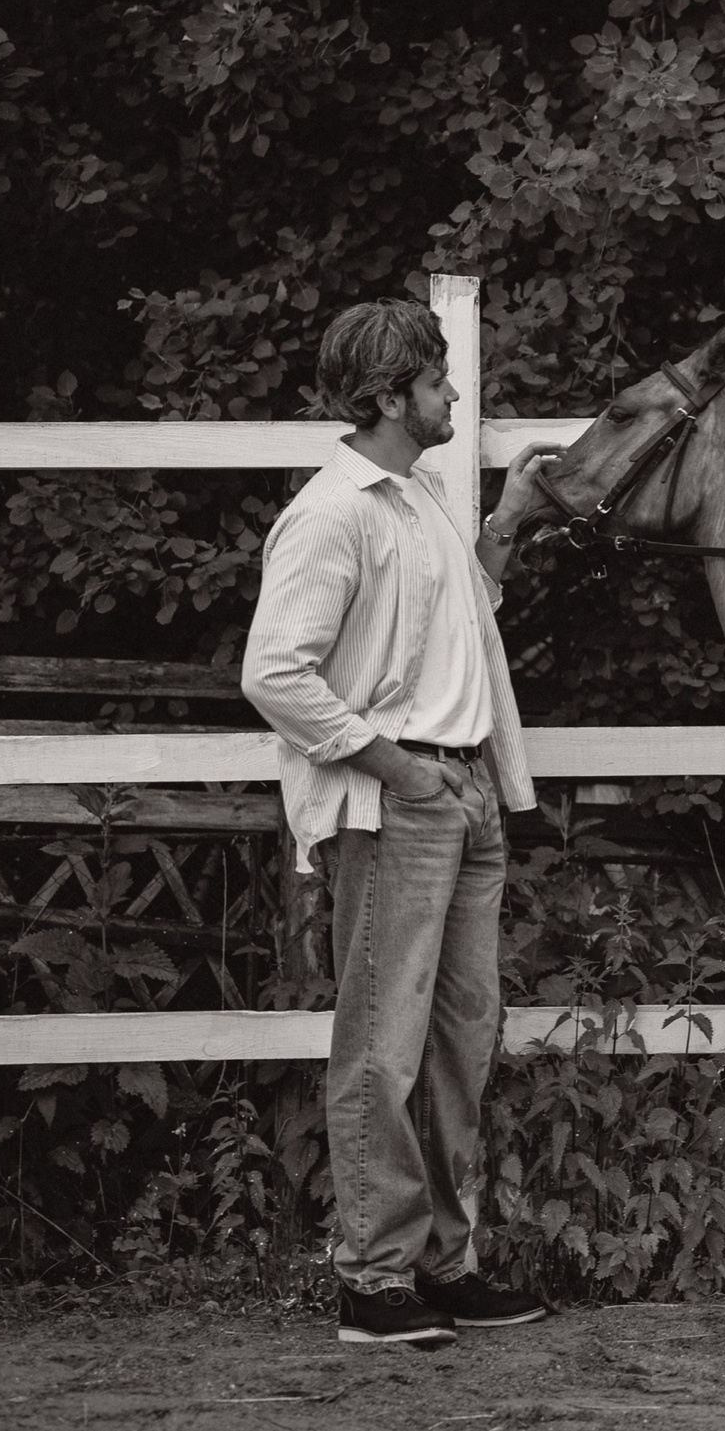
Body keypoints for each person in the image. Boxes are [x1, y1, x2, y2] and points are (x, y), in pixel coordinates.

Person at [242, 298, 564, 1347]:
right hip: (402, 798)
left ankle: (446, 1262)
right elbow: (272, 673)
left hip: (463, 795)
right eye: (436, 384)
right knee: (384, 1045)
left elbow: (466, 615)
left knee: (462, 1042)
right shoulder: (332, 513)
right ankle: (373, 1280)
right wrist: (397, 771)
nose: (454, 396)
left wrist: (509, 517)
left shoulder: (416, 498)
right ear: (387, 398)